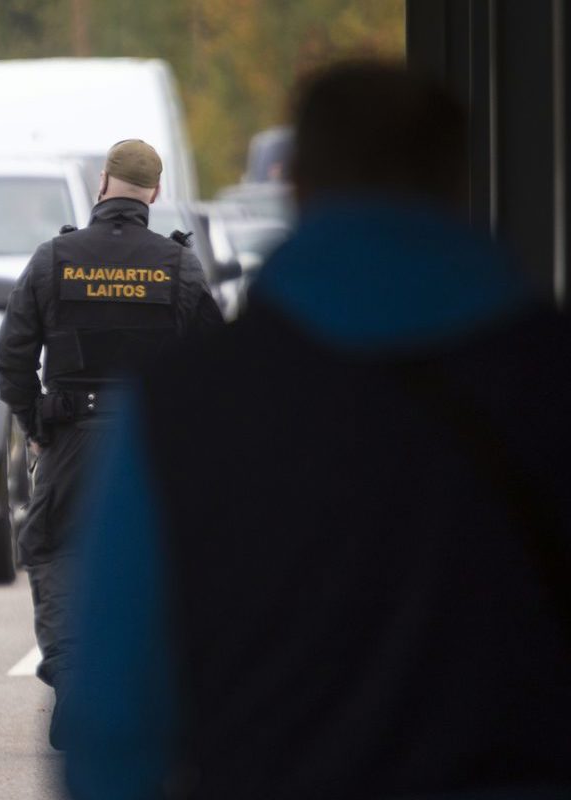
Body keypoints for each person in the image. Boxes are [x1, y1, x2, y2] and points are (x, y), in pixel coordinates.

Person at [62, 61, 571, 799]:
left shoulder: (183, 407)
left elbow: (112, 720)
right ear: (458, 182)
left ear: (297, 183)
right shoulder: (549, 377)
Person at [0, 138, 224, 746]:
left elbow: (11, 360)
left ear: (103, 185)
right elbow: (219, 366)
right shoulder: (178, 267)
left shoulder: (53, 259)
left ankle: (72, 681)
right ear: (155, 193)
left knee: (55, 552)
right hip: (152, 446)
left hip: (71, 441)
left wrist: (37, 426)